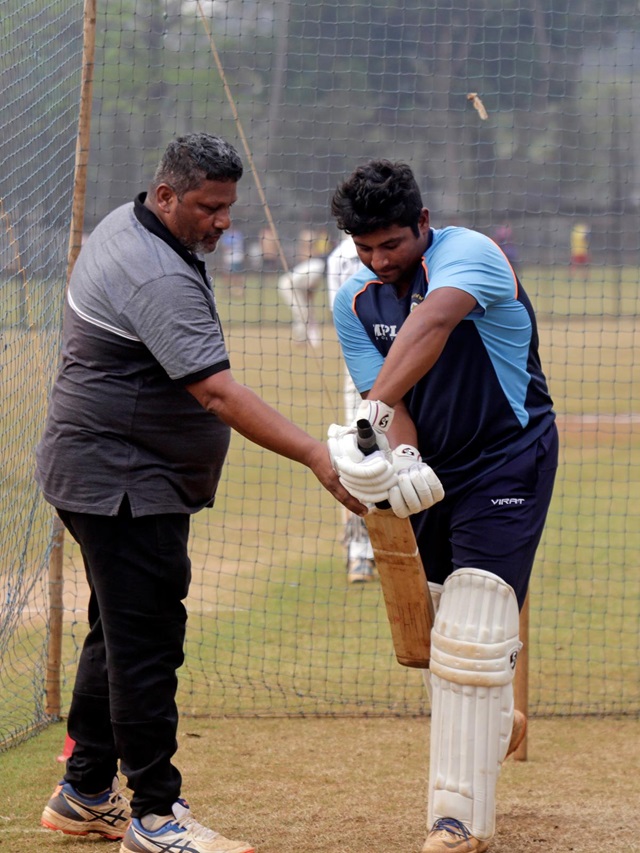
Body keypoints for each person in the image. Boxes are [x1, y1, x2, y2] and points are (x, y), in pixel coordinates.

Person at [35, 133, 365, 853]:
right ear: (166, 195)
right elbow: (216, 392)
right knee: (146, 645)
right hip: (124, 484)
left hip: (103, 473)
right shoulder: (155, 271)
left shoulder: (130, 224)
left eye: (227, 207)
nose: (222, 221)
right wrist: (315, 454)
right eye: (208, 208)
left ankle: (84, 791)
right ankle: (156, 816)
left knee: (118, 633)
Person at [325, 160, 558, 853]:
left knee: (475, 617)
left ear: (423, 223)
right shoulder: (354, 301)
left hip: (509, 455)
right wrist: (399, 456)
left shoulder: (470, 255)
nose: (379, 261)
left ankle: (457, 821)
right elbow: (393, 400)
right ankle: (494, 722)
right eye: (365, 248)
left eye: (392, 244)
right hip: (431, 467)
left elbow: (431, 325)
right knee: (438, 628)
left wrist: (367, 417)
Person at [325, 236, 377, 583]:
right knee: (361, 451)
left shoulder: (405, 241)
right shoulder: (341, 256)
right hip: (361, 363)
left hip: (409, 356)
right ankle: (360, 549)